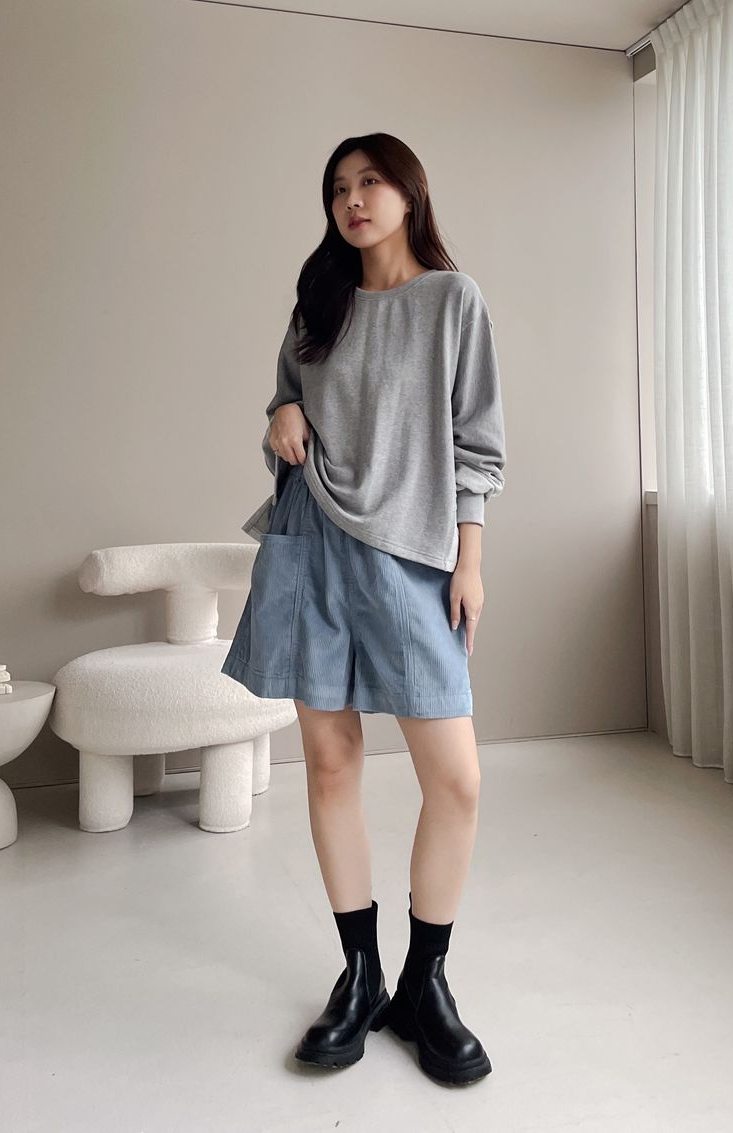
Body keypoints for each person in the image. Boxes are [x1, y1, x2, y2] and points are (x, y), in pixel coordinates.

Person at [221, 132, 506, 1086]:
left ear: (408, 192)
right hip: (312, 542)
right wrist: (281, 412)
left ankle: (425, 983)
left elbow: (476, 446)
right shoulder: (320, 301)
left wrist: (469, 560)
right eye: (339, 187)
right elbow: (286, 399)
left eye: (370, 181)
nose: (353, 199)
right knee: (333, 762)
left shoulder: (453, 300)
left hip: (412, 557)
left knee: (455, 779)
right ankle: (360, 973)